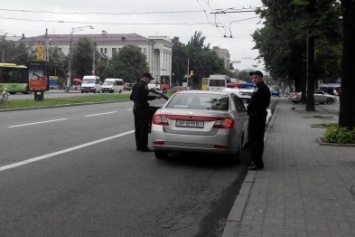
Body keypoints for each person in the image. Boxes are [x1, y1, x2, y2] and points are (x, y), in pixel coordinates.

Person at [130, 72, 161, 152]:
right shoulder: (143, 85)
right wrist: (155, 97)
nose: (149, 81)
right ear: (145, 77)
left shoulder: (136, 85)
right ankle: (144, 146)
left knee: (138, 127)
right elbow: (144, 97)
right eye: (149, 79)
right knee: (144, 127)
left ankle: (139, 146)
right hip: (142, 109)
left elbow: (131, 97)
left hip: (136, 108)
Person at [247, 70, 271, 170]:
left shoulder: (261, 88)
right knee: (256, 140)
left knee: (254, 141)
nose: (254, 79)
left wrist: (249, 109)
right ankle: (256, 161)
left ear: (261, 77)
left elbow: (253, 102)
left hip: (257, 117)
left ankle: (257, 163)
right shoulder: (261, 87)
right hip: (258, 116)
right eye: (253, 78)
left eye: (256, 77)